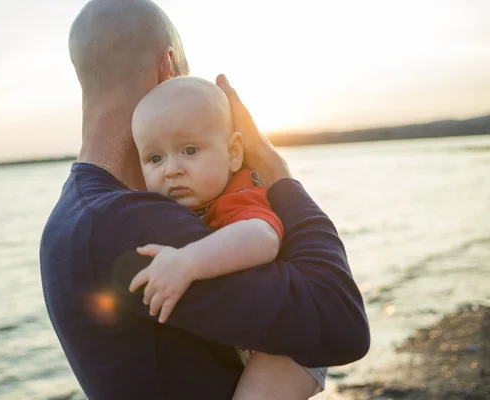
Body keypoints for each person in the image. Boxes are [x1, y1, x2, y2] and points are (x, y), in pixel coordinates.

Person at [40, 0, 370, 399]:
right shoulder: (125, 221)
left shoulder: (73, 214)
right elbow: (341, 321)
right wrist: (277, 173)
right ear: (168, 68)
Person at [128, 75, 326, 398]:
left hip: (292, 345)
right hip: (256, 337)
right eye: (154, 158)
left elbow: (262, 238)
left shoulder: (241, 194)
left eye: (189, 150)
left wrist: (186, 263)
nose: (171, 170)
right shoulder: (186, 205)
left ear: (234, 152)